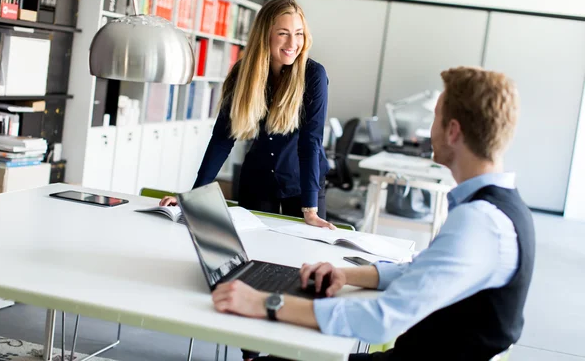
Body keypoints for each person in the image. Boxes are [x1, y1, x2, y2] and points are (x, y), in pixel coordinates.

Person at [210, 66, 536, 361]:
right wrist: (346, 274)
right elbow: (419, 271)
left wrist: (266, 304)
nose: (428, 129)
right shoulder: (499, 209)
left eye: (434, 117)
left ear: (453, 131)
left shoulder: (479, 222)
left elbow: (382, 319)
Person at [160, 0, 335, 230]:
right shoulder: (243, 72)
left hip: (303, 182)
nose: (293, 42)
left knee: (303, 255)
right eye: (283, 33)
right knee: (253, 249)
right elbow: (222, 139)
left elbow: (310, 142)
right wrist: (191, 198)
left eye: (299, 33)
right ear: (266, 35)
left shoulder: (313, 75)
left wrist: (310, 209)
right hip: (258, 180)